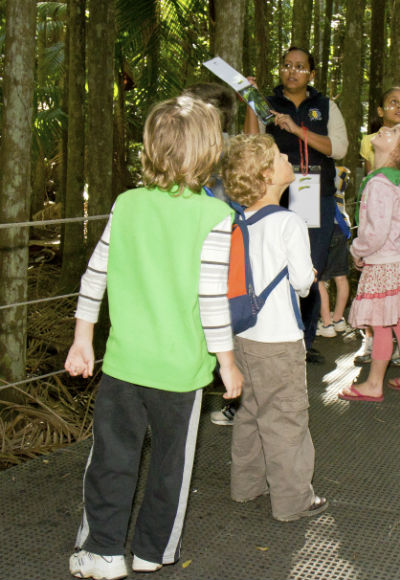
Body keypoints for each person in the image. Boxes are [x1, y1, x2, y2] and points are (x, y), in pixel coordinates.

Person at [63, 96, 243, 579]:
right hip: (180, 373)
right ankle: (152, 551)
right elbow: (211, 301)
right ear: (210, 154)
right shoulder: (216, 217)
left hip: (124, 365)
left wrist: (83, 337)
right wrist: (226, 361)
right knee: (171, 467)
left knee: (111, 460)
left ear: (150, 148)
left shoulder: (126, 205)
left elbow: (93, 276)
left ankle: (102, 552)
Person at [220, 133, 328, 521]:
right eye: (281, 156)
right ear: (268, 175)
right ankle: (292, 500)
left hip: (244, 336)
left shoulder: (238, 218)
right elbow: (301, 283)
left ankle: (246, 485)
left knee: (250, 412)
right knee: (286, 418)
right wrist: (310, 274)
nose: (288, 159)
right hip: (280, 340)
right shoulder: (289, 221)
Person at [244, 46, 348, 365]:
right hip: (277, 194)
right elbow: (252, 142)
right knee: (273, 264)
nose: (292, 71)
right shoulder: (269, 102)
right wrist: (251, 100)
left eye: (300, 67)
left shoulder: (325, 105)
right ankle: (273, 333)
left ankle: (305, 338)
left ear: (312, 74)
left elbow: (339, 149)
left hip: (317, 196)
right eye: (287, 65)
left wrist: (297, 130)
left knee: (311, 268)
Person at [338, 122, 400, 402]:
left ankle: (374, 384)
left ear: (398, 151)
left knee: (380, 325)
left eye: (393, 132)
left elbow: (375, 233)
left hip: (384, 266)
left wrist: (358, 251)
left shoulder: (378, 183)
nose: (386, 129)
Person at [181, 82, 243, 425]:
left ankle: (235, 397)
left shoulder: (228, 151)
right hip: (191, 248)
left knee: (226, 319)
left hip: (223, 248)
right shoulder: (182, 150)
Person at [356, 87, 400, 365]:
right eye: (393, 103)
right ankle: (372, 341)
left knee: (389, 300)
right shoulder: (371, 142)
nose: (399, 107)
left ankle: (384, 364)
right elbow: (369, 172)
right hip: (381, 212)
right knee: (388, 303)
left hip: (397, 221)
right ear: (380, 110)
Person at [316, 166, 352, 337]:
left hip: (323, 227)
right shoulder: (342, 171)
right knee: (341, 277)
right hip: (341, 227)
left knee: (319, 279)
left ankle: (326, 323)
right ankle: (338, 319)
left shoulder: (317, 173)